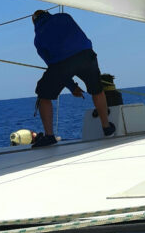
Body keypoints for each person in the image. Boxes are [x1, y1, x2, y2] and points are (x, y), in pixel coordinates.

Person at [31, 9, 116, 147]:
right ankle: (107, 128)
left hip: (62, 63)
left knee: (43, 95)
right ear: (47, 13)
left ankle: (49, 136)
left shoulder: (38, 38)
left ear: (34, 22)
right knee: (97, 90)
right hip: (87, 56)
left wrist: (72, 87)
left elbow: (53, 65)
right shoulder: (64, 16)